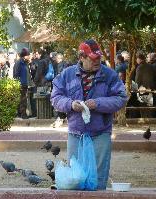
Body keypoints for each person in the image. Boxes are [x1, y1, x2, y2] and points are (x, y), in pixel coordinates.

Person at [51, 39, 127, 190]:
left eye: (99, 58)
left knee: (98, 179)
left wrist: (98, 103)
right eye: (93, 58)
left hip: (101, 133)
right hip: (75, 133)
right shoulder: (67, 74)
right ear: (81, 57)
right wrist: (70, 104)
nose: (97, 61)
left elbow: (120, 98)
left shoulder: (109, 75)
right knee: (75, 178)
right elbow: (55, 97)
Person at [13, 48, 32, 119]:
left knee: (23, 99)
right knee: (22, 100)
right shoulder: (20, 63)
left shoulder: (25, 62)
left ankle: (21, 113)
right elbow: (16, 74)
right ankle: (23, 114)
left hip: (24, 83)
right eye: (28, 55)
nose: (30, 56)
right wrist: (19, 82)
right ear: (25, 55)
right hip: (21, 84)